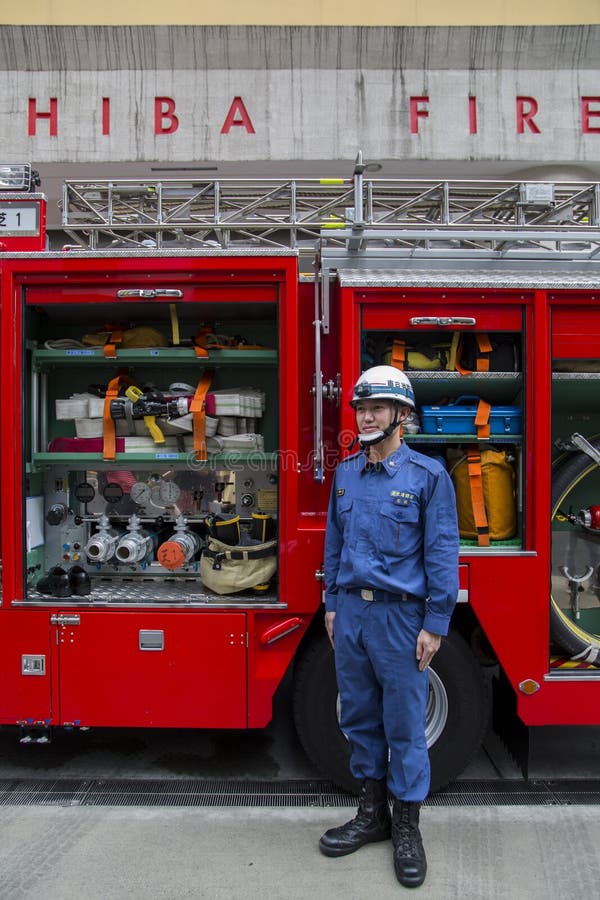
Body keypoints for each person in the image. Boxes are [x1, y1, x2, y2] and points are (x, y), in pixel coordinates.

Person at [319, 365, 459, 888]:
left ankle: (407, 826)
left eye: (377, 407)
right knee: (358, 718)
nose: (366, 416)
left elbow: (443, 550)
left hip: (402, 619)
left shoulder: (427, 476)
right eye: (360, 408)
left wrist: (436, 622)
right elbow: (333, 544)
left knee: (404, 724)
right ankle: (371, 815)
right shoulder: (346, 474)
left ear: (402, 415)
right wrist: (332, 603)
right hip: (352, 614)